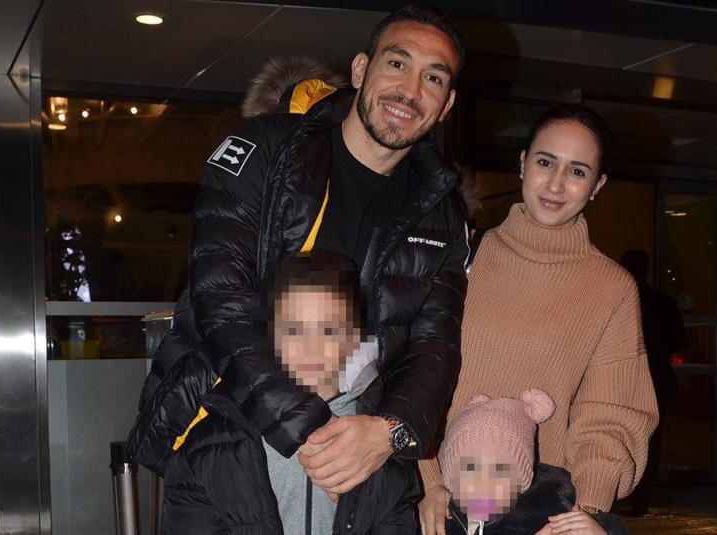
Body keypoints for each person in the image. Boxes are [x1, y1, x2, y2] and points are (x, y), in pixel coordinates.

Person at [128, 3, 469, 507]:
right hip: (222, 433)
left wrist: (389, 431)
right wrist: (314, 429)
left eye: (433, 78)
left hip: (355, 455)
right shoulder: (265, 150)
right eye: (397, 63)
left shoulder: (443, 208)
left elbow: (434, 343)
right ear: (360, 69)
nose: (410, 90)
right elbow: (222, 301)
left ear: (447, 103)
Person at [418, 104, 659, 535]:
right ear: (523, 162)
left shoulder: (611, 288)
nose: (556, 184)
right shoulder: (461, 256)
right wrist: (428, 480)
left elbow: (610, 414)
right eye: (546, 163)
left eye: (577, 171)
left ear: (598, 185)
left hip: (540, 511)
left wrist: (585, 510)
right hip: (440, 503)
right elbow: (415, 374)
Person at [160, 252, 421, 534]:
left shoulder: (376, 438)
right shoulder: (211, 443)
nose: (311, 346)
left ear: (353, 338)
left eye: (328, 329)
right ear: (268, 336)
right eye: (294, 329)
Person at [439, 391, 627, 535]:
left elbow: (607, 525)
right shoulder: (447, 517)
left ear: (520, 478)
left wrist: (601, 529)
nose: (483, 484)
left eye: (499, 470)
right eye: (470, 469)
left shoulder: (547, 504)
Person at [619, 249, 687, 516]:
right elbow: (679, 340)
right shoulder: (663, 302)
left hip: (621, 380)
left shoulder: (616, 298)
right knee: (651, 441)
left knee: (617, 434)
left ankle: (613, 492)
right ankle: (641, 499)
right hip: (656, 378)